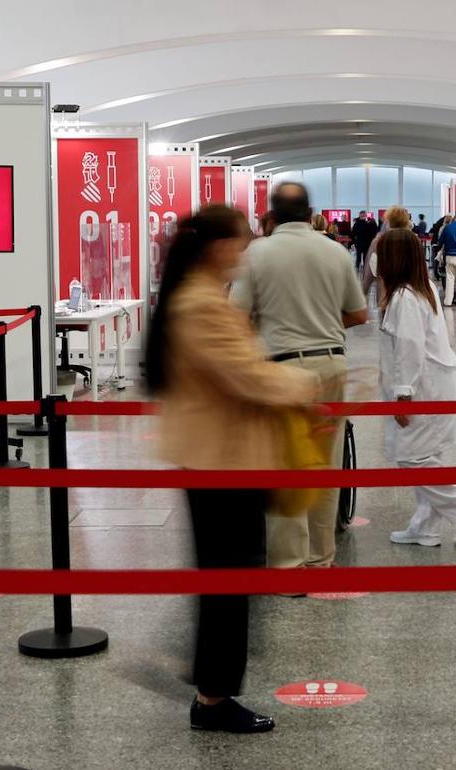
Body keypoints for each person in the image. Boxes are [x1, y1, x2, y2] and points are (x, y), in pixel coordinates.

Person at [145, 205, 318, 733]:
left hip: (223, 455)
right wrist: (305, 387)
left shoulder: (195, 297)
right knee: (228, 579)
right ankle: (213, 698)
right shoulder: (199, 304)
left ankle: (209, 680)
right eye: (239, 242)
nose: (244, 253)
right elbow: (243, 375)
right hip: (222, 460)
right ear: (217, 246)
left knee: (231, 576)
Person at [231, 183, 368, 571]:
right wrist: (322, 323)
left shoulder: (258, 252)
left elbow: (237, 316)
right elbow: (358, 315)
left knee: (285, 463)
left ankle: (288, 566)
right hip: (330, 366)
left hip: (279, 368)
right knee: (326, 464)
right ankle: (320, 558)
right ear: (311, 212)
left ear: (271, 214)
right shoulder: (334, 250)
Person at [377, 229, 456, 546]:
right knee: (426, 455)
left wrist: (403, 394)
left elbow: (409, 349)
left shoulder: (405, 298)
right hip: (435, 384)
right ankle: (425, 526)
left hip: (423, 389)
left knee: (412, 456)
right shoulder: (423, 290)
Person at [365, 205, 412, 298]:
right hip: (407, 295)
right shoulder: (413, 241)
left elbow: (369, 273)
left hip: (385, 294)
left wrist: (363, 293)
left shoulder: (378, 242)